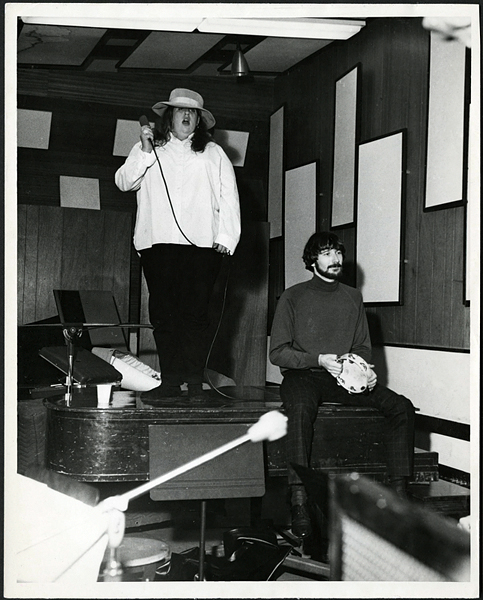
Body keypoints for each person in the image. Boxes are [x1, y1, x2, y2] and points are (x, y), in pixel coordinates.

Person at [269, 231, 415, 539]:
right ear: (311, 261)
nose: (335, 259)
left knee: (400, 406)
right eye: (326, 253)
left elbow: (362, 347)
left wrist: (365, 371)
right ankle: (298, 499)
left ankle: (399, 497)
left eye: (337, 253)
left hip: (342, 379)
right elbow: (277, 352)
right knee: (300, 409)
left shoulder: (353, 297)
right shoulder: (291, 297)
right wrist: (317, 359)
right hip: (303, 376)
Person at [115, 88, 241, 400]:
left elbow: (229, 197)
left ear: (199, 120)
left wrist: (226, 236)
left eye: (192, 112)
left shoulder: (213, 154)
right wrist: (144, 151)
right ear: (168, 117)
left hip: (201, 248)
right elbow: (123, 182)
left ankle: (195, 382)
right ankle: (171, 381)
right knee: (164, 316)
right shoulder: (149, 149)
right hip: (158, 245)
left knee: (195, 317)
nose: (186, 116)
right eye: (179, 111)